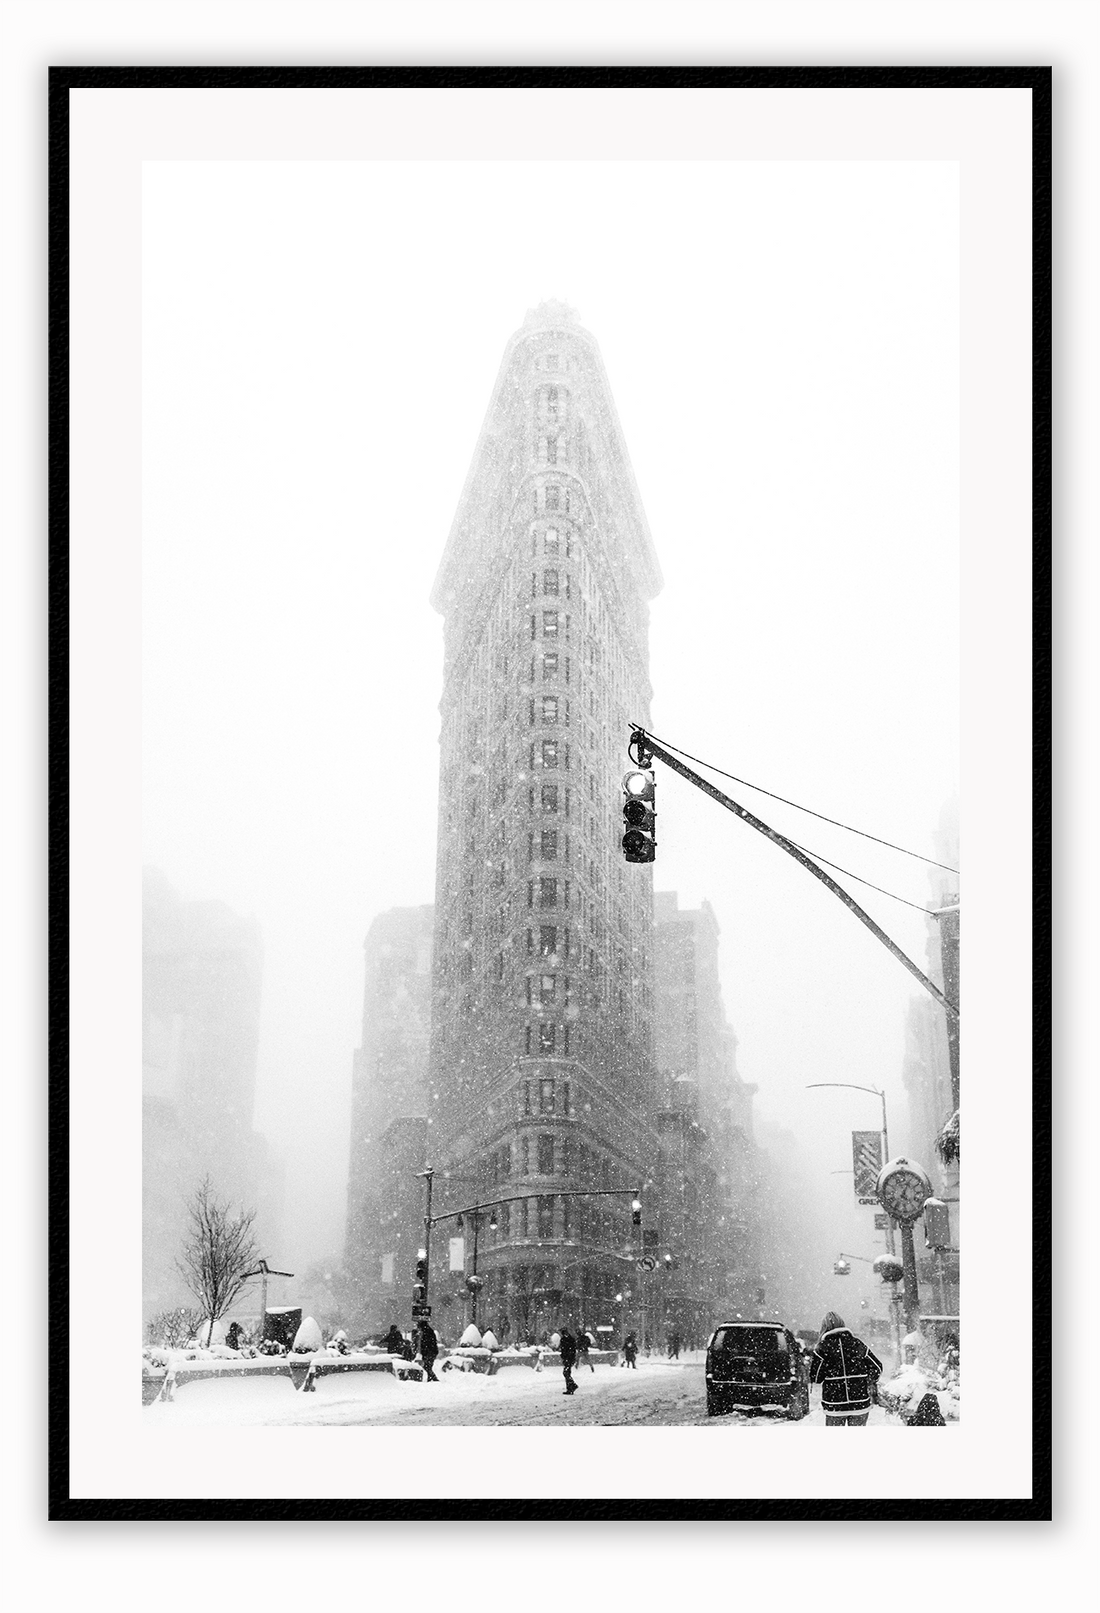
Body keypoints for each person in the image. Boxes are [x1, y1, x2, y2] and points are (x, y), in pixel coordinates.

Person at [810, 1312, 883, 1426]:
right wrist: (866, 1380)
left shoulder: (822, 1348)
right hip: (859, 1403)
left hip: (834, 1405)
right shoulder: (857, 1344)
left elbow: (816, 1377)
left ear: (824, 1328)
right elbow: (877, 1367)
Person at [559, 1328, 578, 1395]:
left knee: (566, 1372)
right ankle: (570, 1387)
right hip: (569, 1358)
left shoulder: (564, 1340)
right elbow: (573, 1349)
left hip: (568, 1358)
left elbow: (564, 1349)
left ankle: (571, 1386)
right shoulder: (571, 1339)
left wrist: (565, 1356)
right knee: (567, 1372)